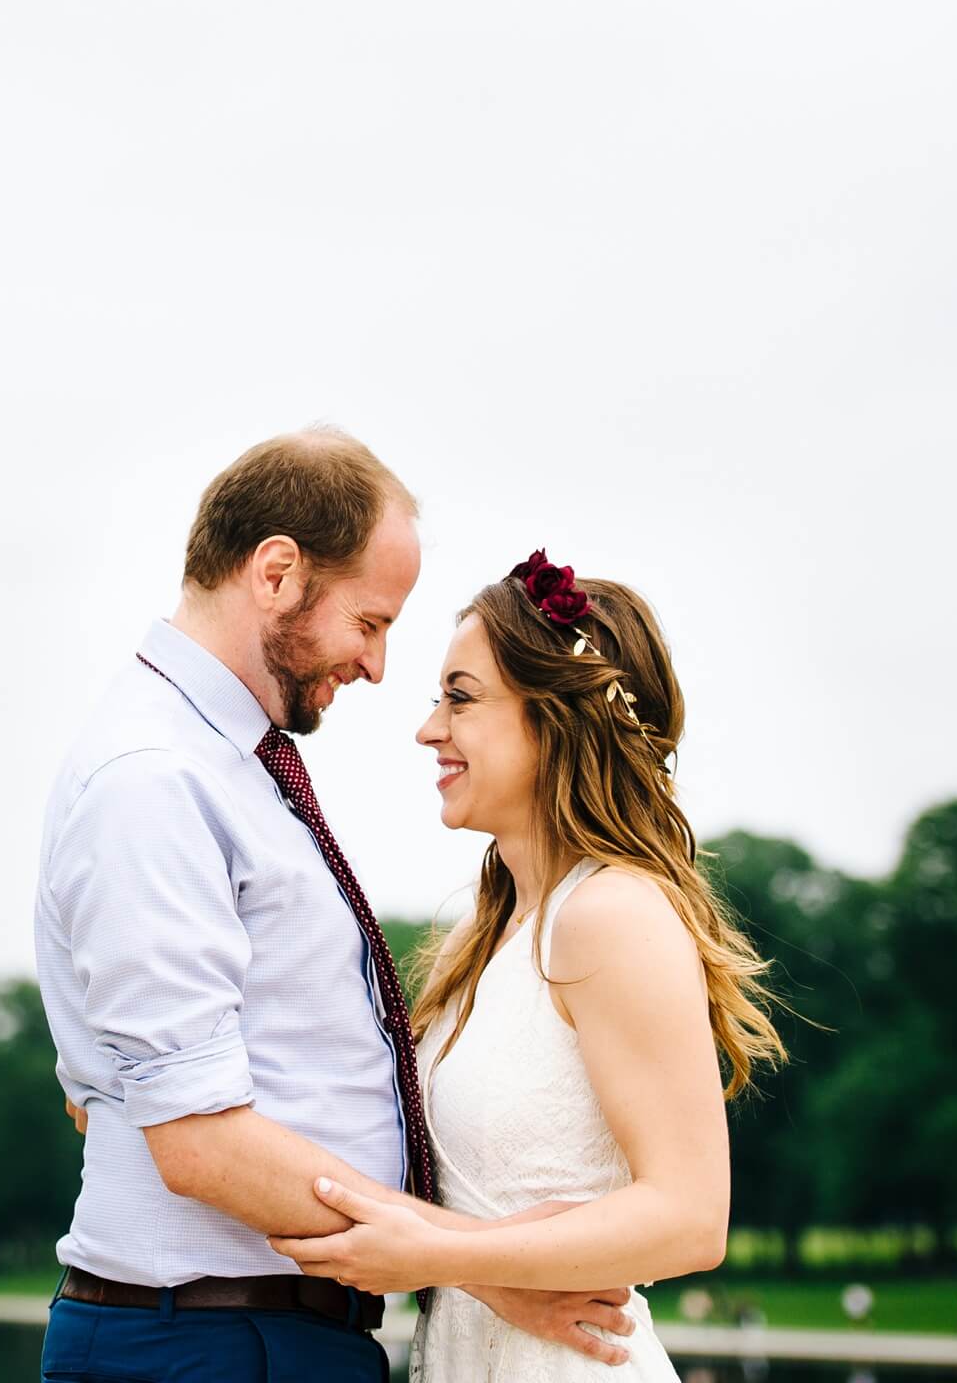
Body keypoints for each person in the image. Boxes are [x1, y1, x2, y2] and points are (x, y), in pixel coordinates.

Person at [35, 432, 639, 1383]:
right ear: (277, 572)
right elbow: (195, 1139)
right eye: (370, 621)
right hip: (208, 1341)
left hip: (259, 1336)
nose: (377, 665)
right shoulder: (155, 779)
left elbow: (114, 1089)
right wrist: (476, 1269)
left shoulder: (225, 765)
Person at [267, 553, 786, 1380]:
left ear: (556, 719)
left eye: (461, 698)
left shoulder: (610, 915)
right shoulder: (497, 932)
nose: (429, 727)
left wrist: (439, 1254)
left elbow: (691, 1217)